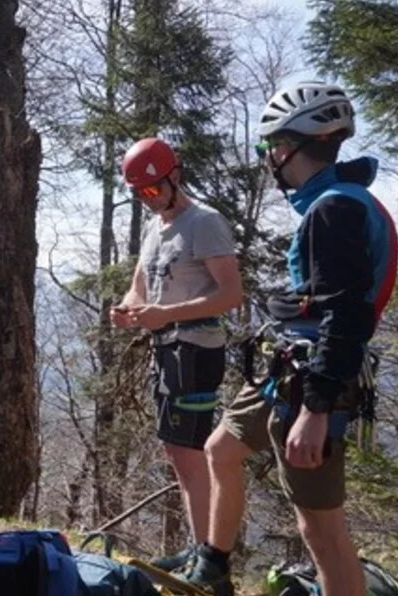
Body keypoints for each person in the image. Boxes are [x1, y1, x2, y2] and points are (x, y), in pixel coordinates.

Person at [185, 82, 398, 596]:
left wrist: (317, 408)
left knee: (321, 531)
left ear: (290, 147)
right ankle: (213, 564)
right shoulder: (334, 202)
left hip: (312, 384)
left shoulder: (333, 210)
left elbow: (348, 315)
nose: (267, 159)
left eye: (269, 147)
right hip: (287, 371)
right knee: (222, 449)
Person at [112, 137, 243, 572]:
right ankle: (200, 547)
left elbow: (230, 294)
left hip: (196, 351)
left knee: (190, 453)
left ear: (175, 176)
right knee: (178, 451)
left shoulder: (204, 223)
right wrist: (131, 308)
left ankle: (211, 557)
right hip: (166, 349)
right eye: (138, 194)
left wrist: (164, 313)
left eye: (152, 190)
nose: (147, 200)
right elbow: (141, 283)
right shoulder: (156, 228)